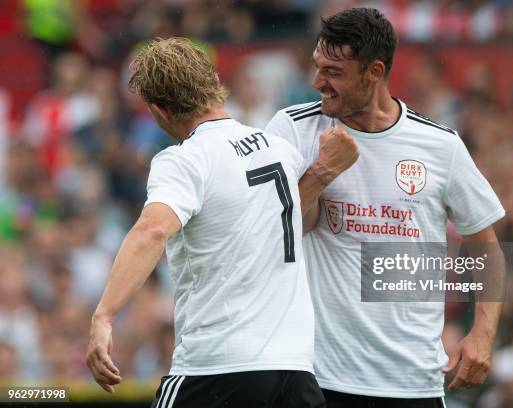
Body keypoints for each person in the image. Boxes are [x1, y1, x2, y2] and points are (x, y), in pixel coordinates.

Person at [86, 37, 357, 407]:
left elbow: (152, 231)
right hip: (295, 373)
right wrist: (321, 174)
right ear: (215, 80)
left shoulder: (183, 160)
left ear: (159, 110)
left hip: (216, 370)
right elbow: (298, 219)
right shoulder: (278, 148)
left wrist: (104, 316)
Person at [265, 8, 506, 407]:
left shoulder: (439, 146)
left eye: (333, 72)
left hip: (412, 380)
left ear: (374, 72)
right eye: (317, 66)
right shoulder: (293, 129)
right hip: (318, 377)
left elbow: (487, 247)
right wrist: (321, 173)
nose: (317, 82)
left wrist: (482, 332)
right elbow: (276, 231)